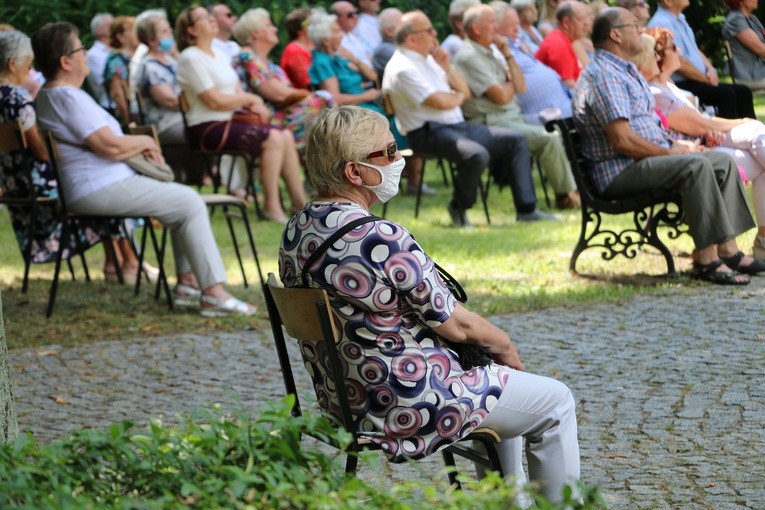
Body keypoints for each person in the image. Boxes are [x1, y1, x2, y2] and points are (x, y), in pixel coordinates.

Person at [280, 105, 581, 504]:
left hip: (347, 399)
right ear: (354, 173)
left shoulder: (299, 229)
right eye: (387, 152)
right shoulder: (380, 237)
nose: (398, 159)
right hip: (412, 399)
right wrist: (505, 345)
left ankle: (511, 504)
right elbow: (456, 325)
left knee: (502, 384)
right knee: (555, 400)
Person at [32, 21, 257, 313]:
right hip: (98, 186)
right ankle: (213, 292)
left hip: (97, 184)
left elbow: (109, 143)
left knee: (180, 201)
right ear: (65, 61)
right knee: (188, 200)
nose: (86, 54)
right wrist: (146, 145)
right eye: (80, 49)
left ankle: (189, 284)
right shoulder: (66, 97)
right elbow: (109, 146)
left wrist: (137, 145)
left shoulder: (55, 95)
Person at [572, 7, 763, 285]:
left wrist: (680, 144)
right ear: (615, 34)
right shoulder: (604, 75)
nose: (641, 31)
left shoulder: (624, 70)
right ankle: (706, 260)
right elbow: (622, 139)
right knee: (696, 165)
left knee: (720, 160)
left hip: (645, 161)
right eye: (634, 26)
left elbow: (649, 127)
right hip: (621, 170)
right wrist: (671, 152)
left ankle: (729, 251)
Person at [382, 11, 555, 226]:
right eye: (428, 30)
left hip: (457, 126)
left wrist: (447, 68)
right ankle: (459, 208)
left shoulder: (430, 60)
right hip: (427, 132)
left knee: (516, 139)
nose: (434, 33)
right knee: (476, 155)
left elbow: (464, 92)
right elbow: (440, 102)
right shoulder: (400, 67)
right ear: (411, 38)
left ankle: (527, 209)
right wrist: (456, 96)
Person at [639, 27, 765, 260]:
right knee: (757, 145)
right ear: (659, 56)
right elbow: (698, 125)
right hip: (697, 151)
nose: (679, 52)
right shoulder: (656, 92)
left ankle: (763, 241)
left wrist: (735, 123)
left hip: (705, 144)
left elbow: (703, 121)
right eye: (673, 48)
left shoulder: (669, 87)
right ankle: (761, 244)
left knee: (758, 136)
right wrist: (733, 123)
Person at [175, 5, 306, 224]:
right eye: (203, 17)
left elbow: (236, 90)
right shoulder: (190, 57)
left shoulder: (219, 55)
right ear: (191, 31)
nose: (211, 19)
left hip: (230, 120)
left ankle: (299, 204)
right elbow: (214, 100)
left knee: (283, 134)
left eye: (210, 15)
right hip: (206, 127)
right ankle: (271, 207)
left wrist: (252, 104)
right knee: (273, 136)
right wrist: (252, 99)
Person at [454, 4, 579, 209]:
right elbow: (501, 96)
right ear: (476, 28)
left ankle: (572, 190)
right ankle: (566, 196)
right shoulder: (469, 56)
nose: (496, 27)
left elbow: (520, 86)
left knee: (561, 127)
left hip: (512, 117)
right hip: (491, 122)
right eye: (491, 22)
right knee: (549, 138)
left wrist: (508, 54)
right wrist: (509, 84)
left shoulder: (494, 51)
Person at [231, 9, 332, 151]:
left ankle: (319, 159)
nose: (275, 28)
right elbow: (279, 94)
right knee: (321, 101)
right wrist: (307, 95)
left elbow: (287, 92)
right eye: (268, 25)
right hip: (265, 118)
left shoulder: (267, 62)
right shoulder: (247, 57)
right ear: (255, 33)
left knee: (324, 104)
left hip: (282, 114)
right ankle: (316, 160)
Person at [647, 0, 755, 119]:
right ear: (668, 1)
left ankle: (754, 133)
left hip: (698, 79)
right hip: (681, 83)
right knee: (726, 94)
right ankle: (729, 135)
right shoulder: (661, 23)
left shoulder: (680, 19)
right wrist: (705, 79)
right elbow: (679, 62)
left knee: (743, 91)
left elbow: (695, 49)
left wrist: (711, 69)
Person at [497, 2, 573, 125]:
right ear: (496, 29)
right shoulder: (499, 52)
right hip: (546, 115)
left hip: (563, 101)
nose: (517, 28)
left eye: (516, 24)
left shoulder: (520, 39)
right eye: (511, 25)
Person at [307, 11, 381, 112]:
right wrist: (365, 96)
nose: (342, 35)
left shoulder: (336, 57)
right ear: (325, 40)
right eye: (337, 32)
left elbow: (372, 76)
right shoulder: (322, 63)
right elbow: (334, 100)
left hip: (366, 108)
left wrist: (356, 61)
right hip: (354, 115)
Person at [134, 12, 184, 146]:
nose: (170, 34)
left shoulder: (169, 59)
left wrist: (175, 54)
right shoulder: (149, 66)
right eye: (164, 31)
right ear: (151, 40)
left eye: (169, 29)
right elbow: (171, 102)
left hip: (183, 117)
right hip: (166, 123)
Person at [535, 1, 591, 89]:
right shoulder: (558, 45)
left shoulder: (566, 40)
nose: (587, 23)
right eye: (581, 19)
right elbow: (570, 86)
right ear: (566, 23)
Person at [104, 16, 139, 127]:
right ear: (120, 37)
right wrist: (129, 122)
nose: (138, 33)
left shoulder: (140, 55)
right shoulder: (116, 60)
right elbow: (117, 94)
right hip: (133, 119)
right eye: (134, 30)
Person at [722, 0, 765, 90]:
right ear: (740, 1)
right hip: (751, 76)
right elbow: (760, 49)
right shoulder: (735, 20)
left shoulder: (752, 18)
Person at [280, 8, 315, 90]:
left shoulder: (314, 46)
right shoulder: (294, 50)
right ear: (299, 29)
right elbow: (307, 83)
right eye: (311, 23)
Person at [331, 1, 373, 67]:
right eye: (350, 15)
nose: (355, 16)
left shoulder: (352, 35)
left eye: (356, 13)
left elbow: (368, 57)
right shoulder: (335, 40)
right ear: (337, 18)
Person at [86, 13, 113, 109]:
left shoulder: (115, 49)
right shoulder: (93, 54)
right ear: (99, 31)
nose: (114, 27)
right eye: (110, 25)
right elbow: (107, 82)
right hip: (111, 106)